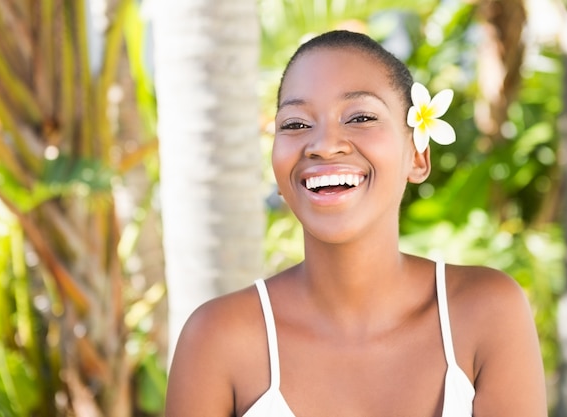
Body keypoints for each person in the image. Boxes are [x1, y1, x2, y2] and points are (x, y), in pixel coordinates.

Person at [165, 30, 547, 417]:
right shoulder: (218, 339)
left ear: (417, 157)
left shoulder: (486, 311)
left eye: (361, 117)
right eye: (295, 124)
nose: (324, 144)